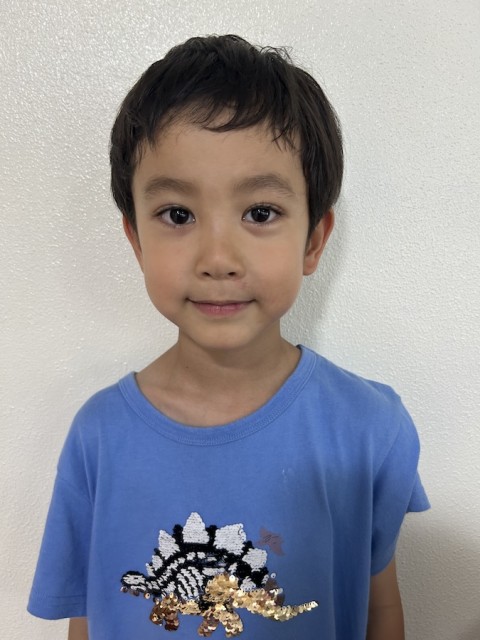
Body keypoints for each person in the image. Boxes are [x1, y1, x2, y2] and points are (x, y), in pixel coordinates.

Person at [28, 35, 429, 640]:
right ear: (136, 241)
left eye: (260, 213)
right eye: (178, 215)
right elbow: (88, 617)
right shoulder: (97, 437)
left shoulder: (370, 428)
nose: (218, 258)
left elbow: (379, 609)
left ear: (314, 241)